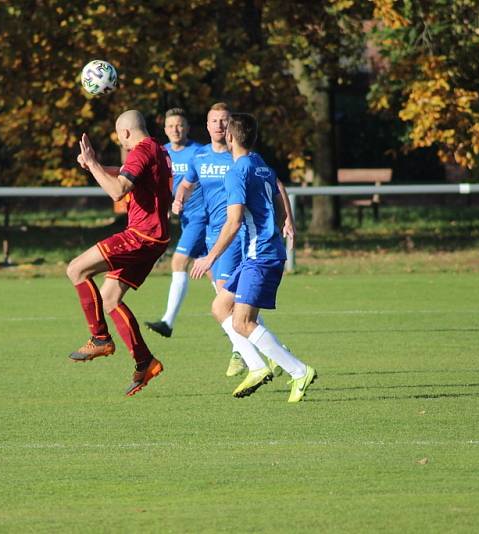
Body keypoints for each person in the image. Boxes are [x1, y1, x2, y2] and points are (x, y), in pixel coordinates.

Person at [190, 112, 316, 402]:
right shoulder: (259, 164)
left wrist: (210, 257)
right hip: (259, 254)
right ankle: (258, 367)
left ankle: (299, 371)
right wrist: (288, 219)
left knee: (242, 323)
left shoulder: (237, 172)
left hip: (260, 256)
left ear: (230, 137)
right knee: (221, 306)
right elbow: (279, 186)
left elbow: (233, 222)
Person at [66, 109, 172, 397]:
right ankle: (145, 361)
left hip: (141, 235)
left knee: (76, 269)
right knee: (110, 298)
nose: (120, 143)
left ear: (125, 133)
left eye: (119, 137)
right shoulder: (159, 150)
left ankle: (100, 338)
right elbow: (128, 176)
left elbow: (117, 191)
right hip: (155, 238)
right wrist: (96, 166)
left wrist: (92, 163)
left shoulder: (139, 151)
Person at [144, 108, 206, 338]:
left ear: (187, 128)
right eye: (171, 126)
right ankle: (246, 334)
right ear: (165, 129)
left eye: (180, 125)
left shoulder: (199, 153)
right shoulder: (163, 153)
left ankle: (167, 322)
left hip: (202, 217)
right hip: (188, 220)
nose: (175, 129)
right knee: (218, 282)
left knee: (178, 262)